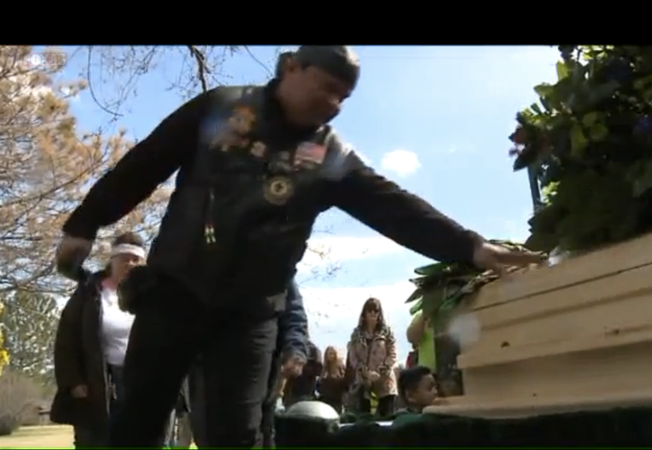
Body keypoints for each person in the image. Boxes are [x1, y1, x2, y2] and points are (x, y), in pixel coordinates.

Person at [54, 45, 543, 447]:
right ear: (291, 67)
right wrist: (84, 222)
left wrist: (472, 248)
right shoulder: (222, 109)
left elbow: (395, 208)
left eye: (344, 98)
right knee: (136, 424)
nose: (333, 103)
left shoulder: (330, 157)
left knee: (236, 436)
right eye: (326, 87)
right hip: (173, 292)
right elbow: (144, 163)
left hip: (248, 316)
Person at [50, 233, 145, 447]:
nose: (129, 263)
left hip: (138, 383)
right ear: (112, 260)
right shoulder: (89, 293)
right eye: (124, 258)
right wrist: (74, 383)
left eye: (135, 259)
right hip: (98, 384)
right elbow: (65, 340)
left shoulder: (150, 296)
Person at [189, 280, 309, 449]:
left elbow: (293, 313)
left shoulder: (271, 264)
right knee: (207, 433)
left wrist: (295, 350)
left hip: (259, 369)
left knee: (251, 433)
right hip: (207, 364)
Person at [347, 298, 398, 417]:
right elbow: (353, 357)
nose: (373, 314)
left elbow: (393, 353)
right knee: (363, 418)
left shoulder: (387, 332)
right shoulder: (356, 333)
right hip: (363, 381)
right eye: (370, 311)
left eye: (376, 311)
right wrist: (365, 372)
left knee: (387, 417)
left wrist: (382, 369)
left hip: (384, 380)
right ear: (364, 313)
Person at [282, 339, 323, 408]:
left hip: (303, 390)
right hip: (294, 390)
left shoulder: (313, 350)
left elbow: (318, 371)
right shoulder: (314, 350)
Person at [317, 346, 348, 414]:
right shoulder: (323, 368)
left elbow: (345, 383)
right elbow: (319, 384)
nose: (331, 356)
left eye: (333, 353)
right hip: (325, 400)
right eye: (329, 354)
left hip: (336, 399)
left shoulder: (340, 367)